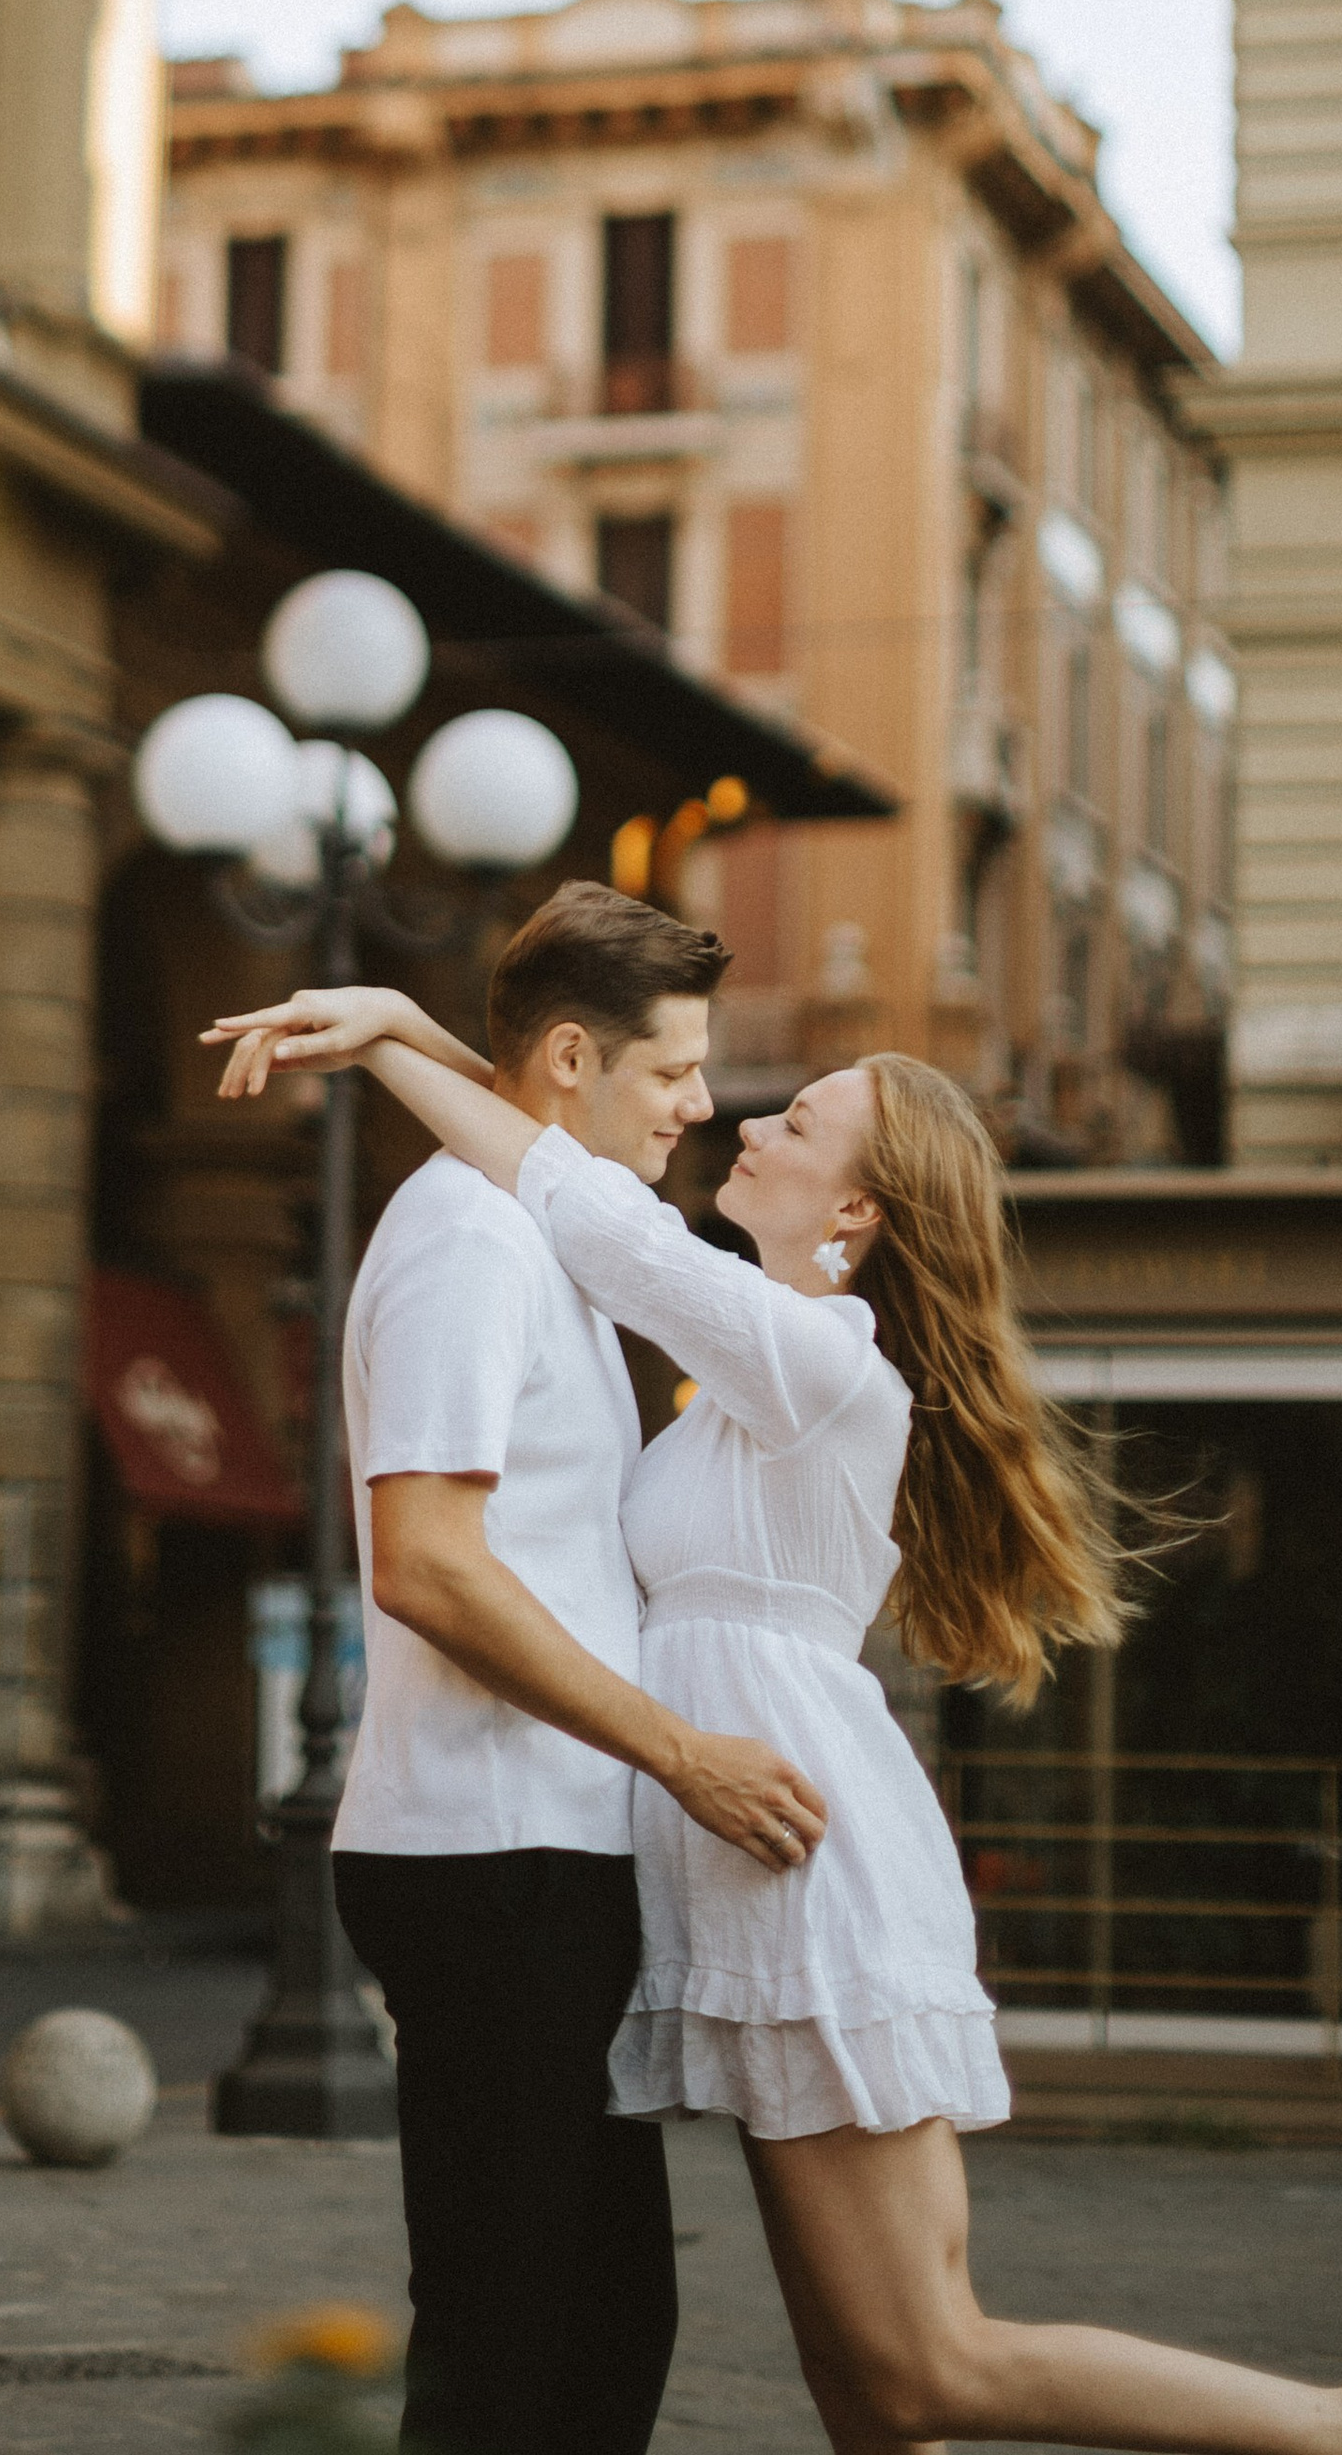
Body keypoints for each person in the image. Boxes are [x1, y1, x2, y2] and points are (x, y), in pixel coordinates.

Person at [209, 971, 1342, 2455]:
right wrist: (404, 1029)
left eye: (799, 1120)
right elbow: (556, 1145)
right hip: (746, 1856)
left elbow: (580, 1196)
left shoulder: (816, 1356)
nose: (744, 1119)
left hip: (800, 1861)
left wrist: (391, 1038)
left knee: (926, 2360)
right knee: (870, 2387)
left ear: (859, 1208)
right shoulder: (752, 1357)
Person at [252, 884, 826, 2455]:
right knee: (509, 2341)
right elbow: (428, 1563)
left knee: (608, 2322)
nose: (699, 1105)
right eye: (675, 1072)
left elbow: (524, 1113)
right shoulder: (467, 1243)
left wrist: (398, 1028)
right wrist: (681, 1752)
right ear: (575, 1059)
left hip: (547, 1854)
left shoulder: (545, 1213)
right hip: (487, 1856)